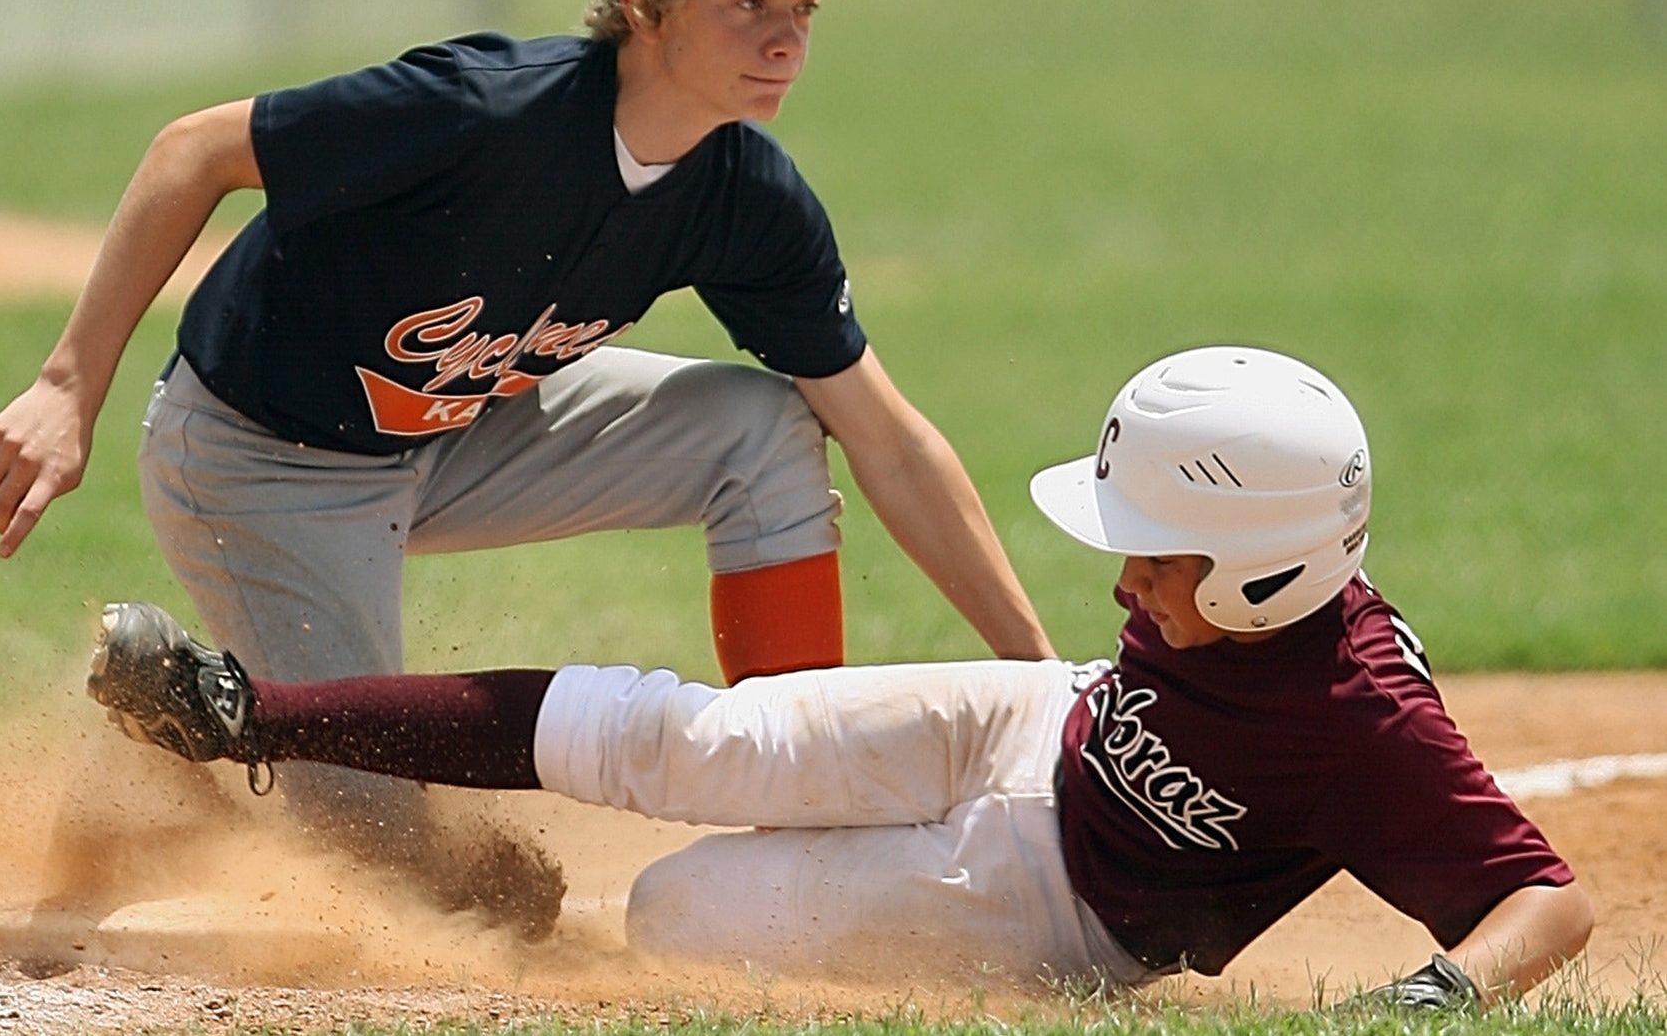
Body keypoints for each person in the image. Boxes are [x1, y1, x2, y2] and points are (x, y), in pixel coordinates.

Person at [0, 0, 1054, 924]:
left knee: (763, 425)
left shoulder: (746, 199)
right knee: (393, 875)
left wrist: (1044, 684)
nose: (786, 39)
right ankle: (170, 742)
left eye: (804, 8)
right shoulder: (483, 110)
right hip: (263, 462)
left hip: (459, 429)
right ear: (644, 4)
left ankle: (801, 802)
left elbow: (889, 441)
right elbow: (192, 151)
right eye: (748, 2)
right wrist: (68, 386)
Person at [83, 345, 1592, 1003]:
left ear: (1268, 568)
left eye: (1158, 558)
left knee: (680, 909)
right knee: (681, 736)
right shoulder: (1229, 593)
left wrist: (1434, 998)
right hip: (1038, 721)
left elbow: (1548, 900)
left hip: (1068, 907)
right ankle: (239, 711)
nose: (1126, 579)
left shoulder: (1366, 725)